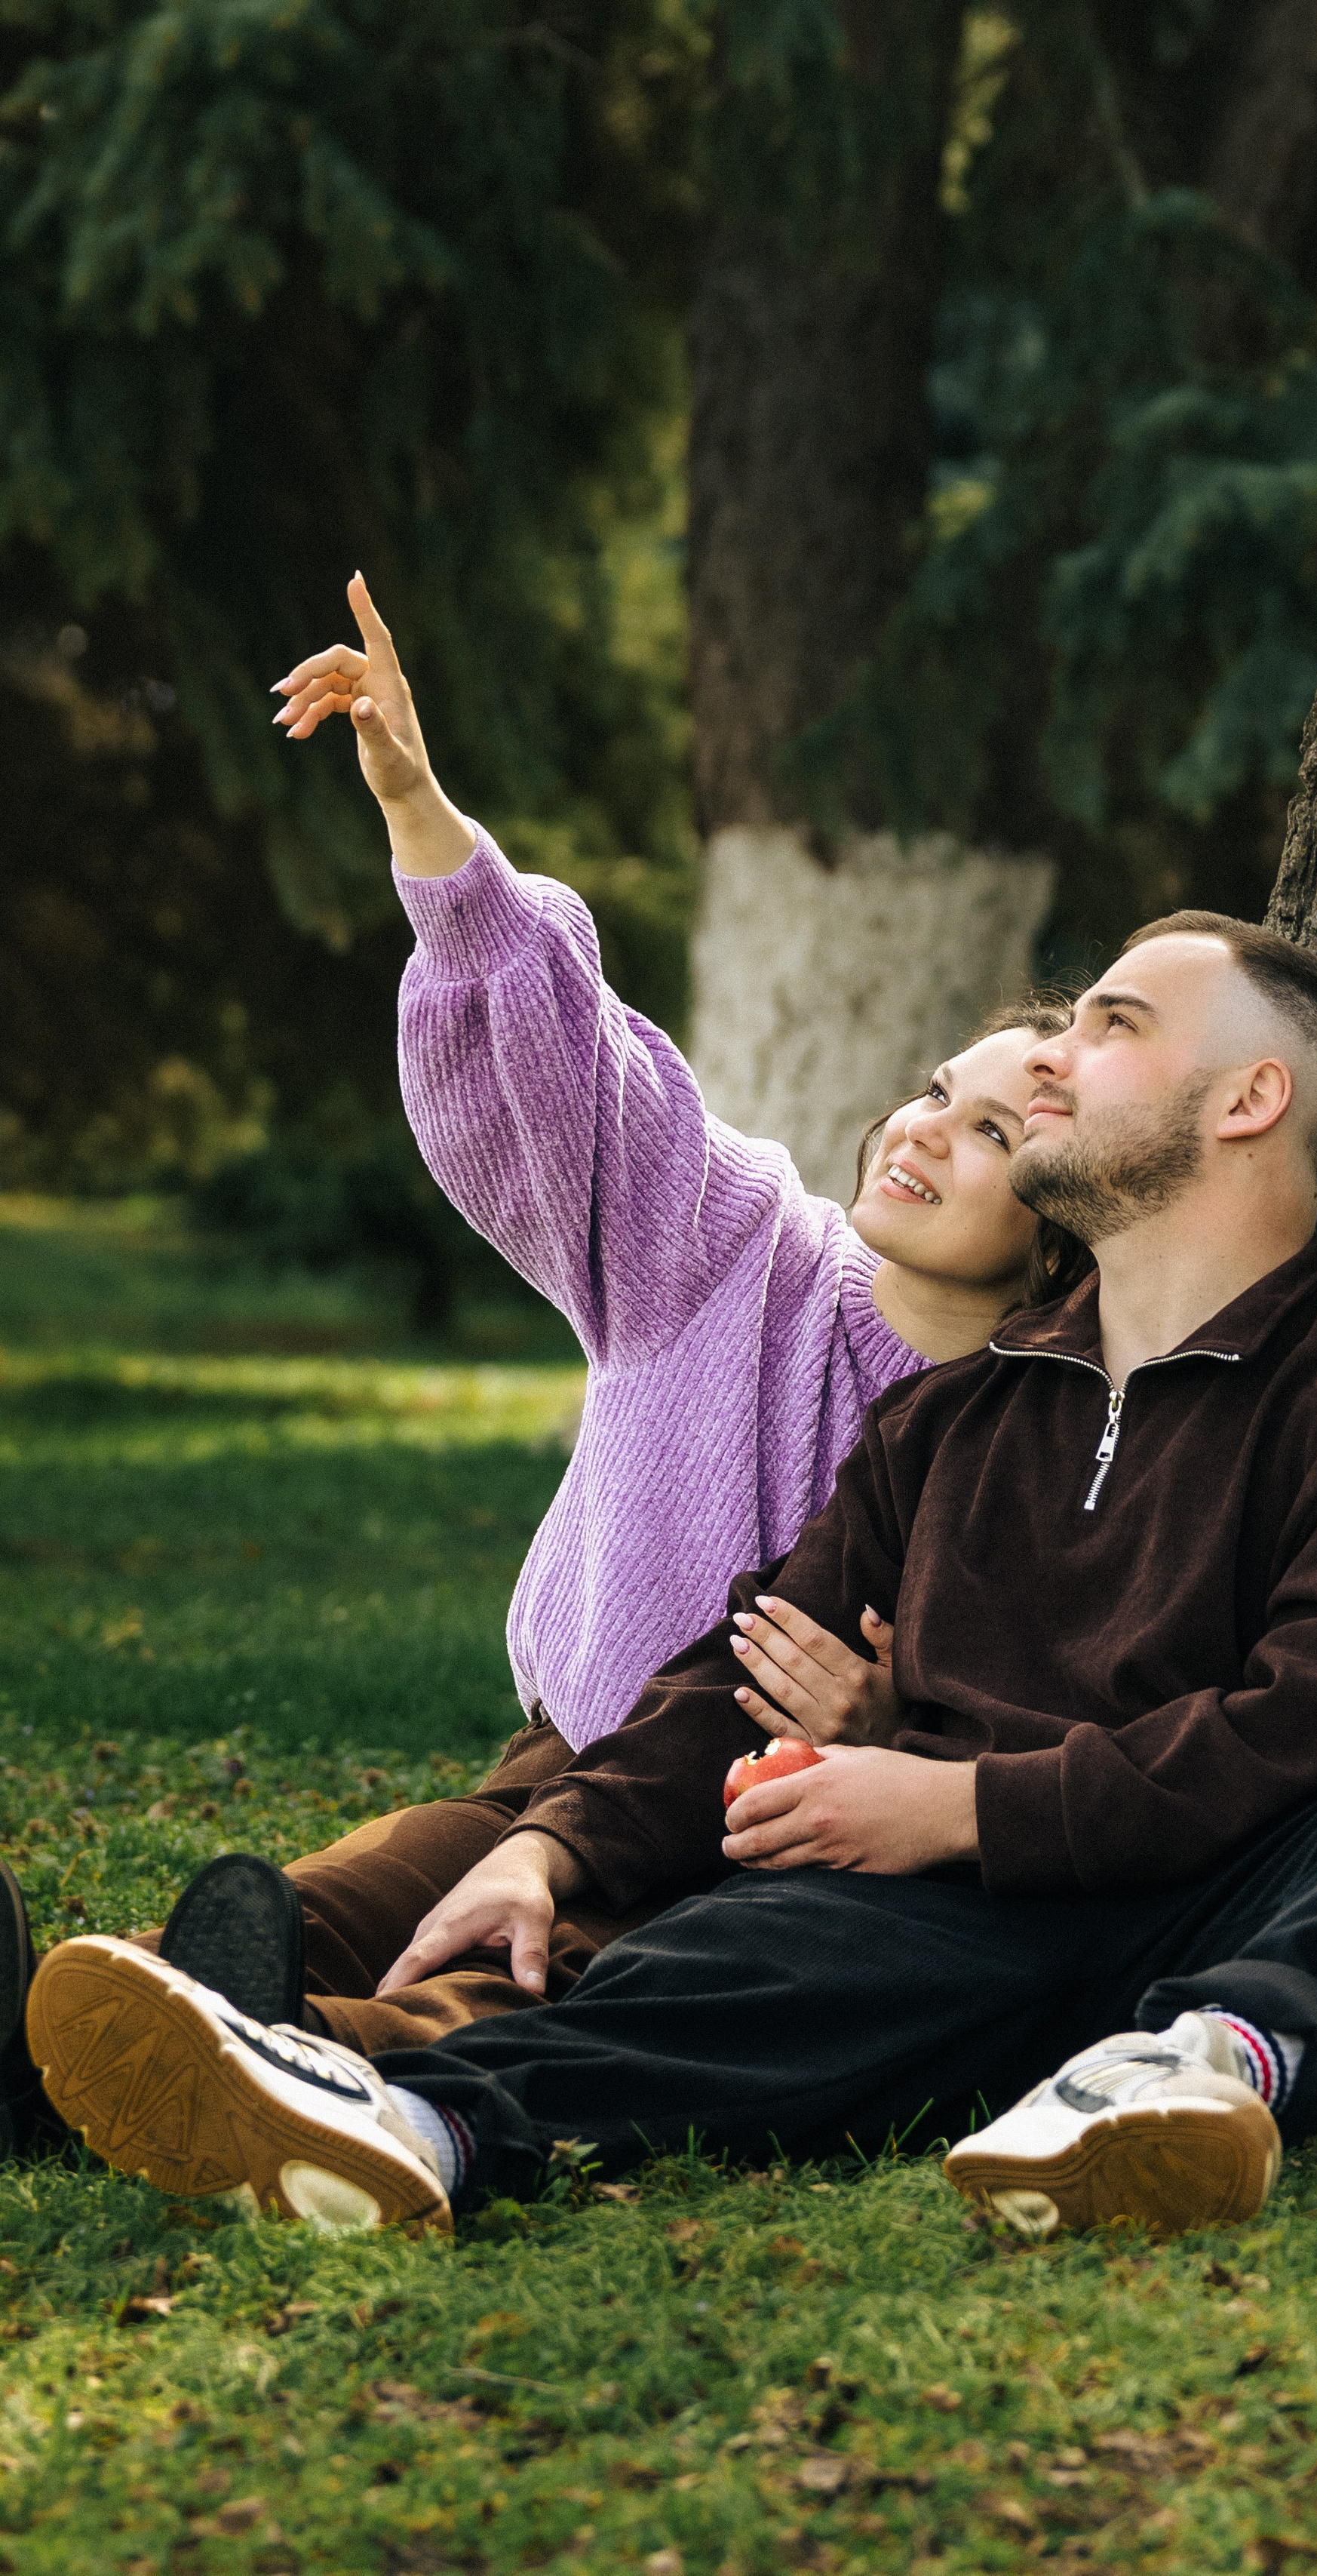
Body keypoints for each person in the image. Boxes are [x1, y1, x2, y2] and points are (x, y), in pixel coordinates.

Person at [26, 914, 1317, 2241]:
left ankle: (1194, 2081)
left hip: (1214, 1922)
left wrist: (960, 1806)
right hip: (928, 1935)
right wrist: (553, 1844)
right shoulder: (954, 1419)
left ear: (1249, 1098)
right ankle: (405, 2124)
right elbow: (743, 1662)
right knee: (734, 1950)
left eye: (1111, 1026)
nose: (1056, 1057)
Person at [0, 576, 1088, 2129]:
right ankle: (105, 2028)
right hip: (568, 1766)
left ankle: (297, 2071)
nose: (922, 1129)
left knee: (515, 1977)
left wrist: (886, 1729)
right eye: (934, 1087)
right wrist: (423, 817)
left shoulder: (1046, 1432)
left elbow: (1041, 1707)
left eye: (987, 1132)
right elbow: (584, 1077)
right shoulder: (729, 1243)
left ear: (1065, 1225)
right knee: (351, 1892)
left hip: (758, 1849)